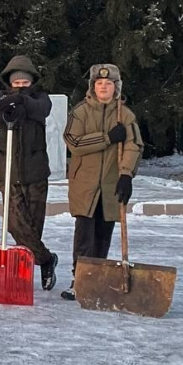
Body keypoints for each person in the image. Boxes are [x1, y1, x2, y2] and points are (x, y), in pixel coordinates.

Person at [61, 64, 142, 300]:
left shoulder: (125, 115)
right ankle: (80, 279)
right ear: (92, 87)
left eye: (108, 84)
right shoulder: (81, 112)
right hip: (84, 184)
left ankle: (96, 278)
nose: (103, 87)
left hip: (110, 184)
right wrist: (106, 138)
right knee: (85, 233)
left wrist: (126, 174)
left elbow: (133, 145)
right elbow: (74, 143)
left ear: (115, 87)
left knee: (103, 232)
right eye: (99, 84)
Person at [0, 55, 59, 290]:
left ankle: (25, 269)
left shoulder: (40, 98)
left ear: (32, 81)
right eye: (16, 82)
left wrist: (22, 102)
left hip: (35, 171)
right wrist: (8, 105)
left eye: (25, 82)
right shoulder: (0, 96)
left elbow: (42, 110)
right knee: (15, 222)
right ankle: (46, 259)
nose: (20, 85)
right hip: (8, 170)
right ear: (9, 80)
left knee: (33, 224)